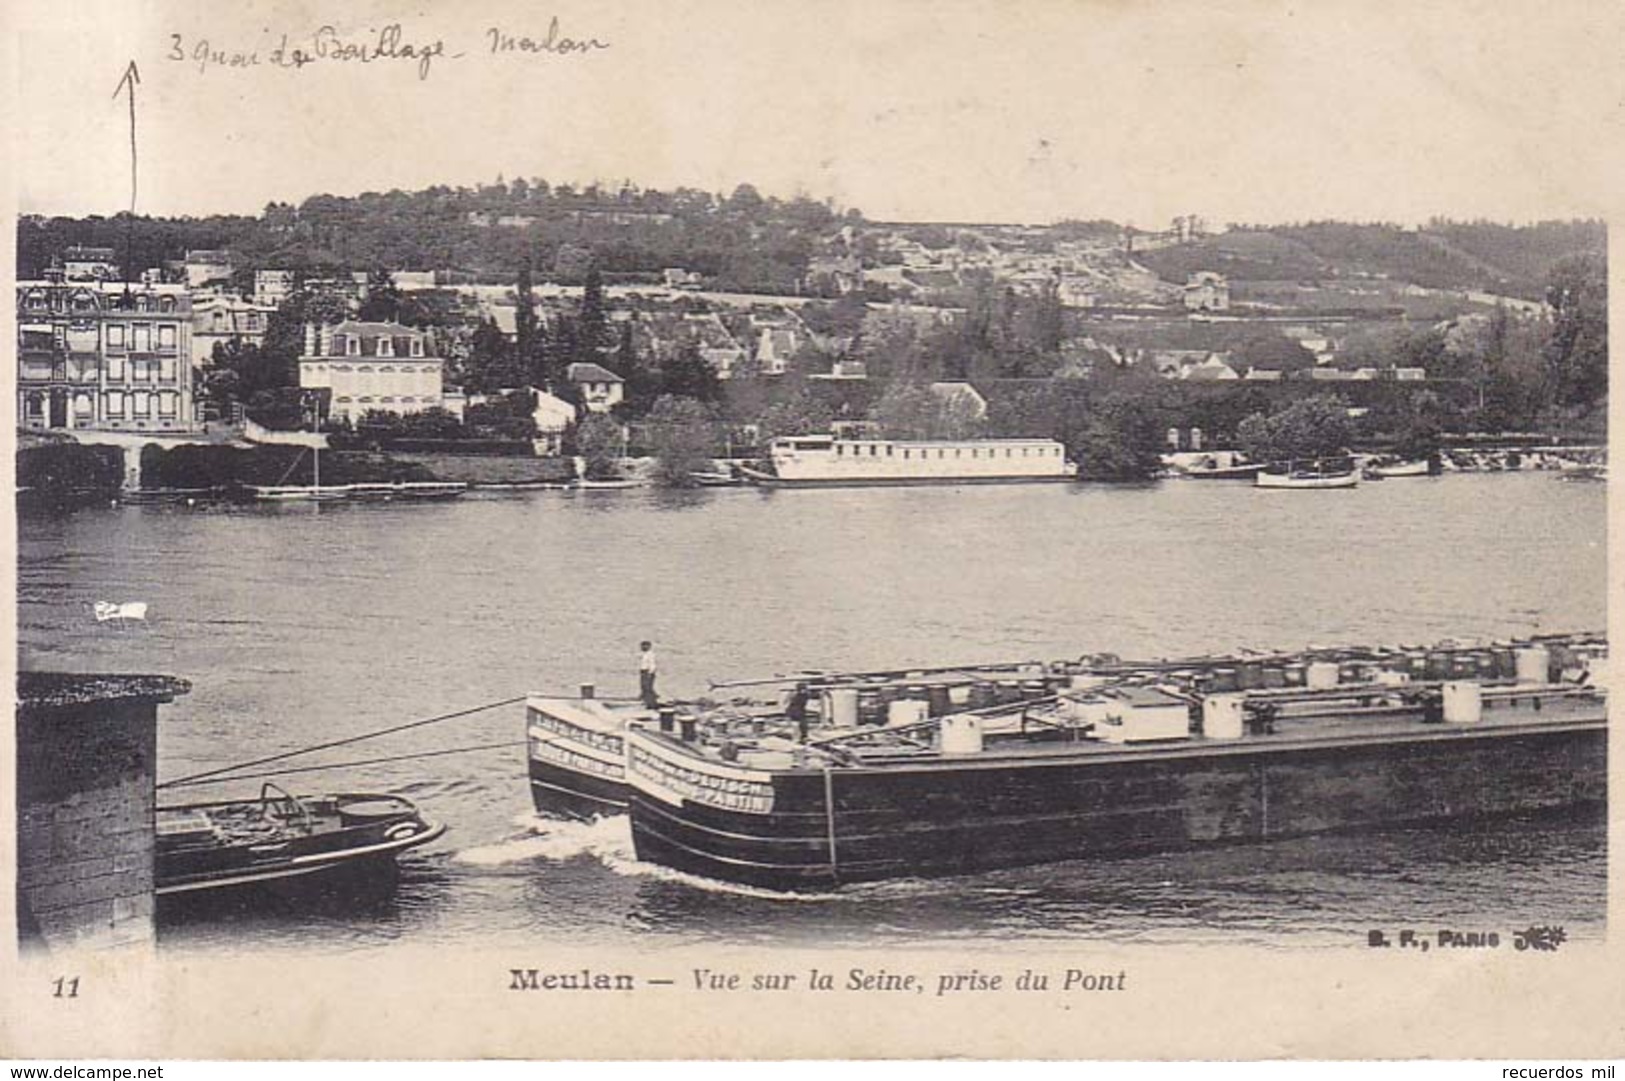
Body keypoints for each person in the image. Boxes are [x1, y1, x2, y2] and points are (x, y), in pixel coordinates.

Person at [638, 641, 659, 709]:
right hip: (643, 672)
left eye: (645, 646)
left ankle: (652, 704)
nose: (643, 647)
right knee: (644, 687)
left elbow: (652, 664)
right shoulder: (644, 654)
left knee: (648, 688)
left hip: (648, 672)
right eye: (642, 646)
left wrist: (650, 673)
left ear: (649, 646)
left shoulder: (650, 654)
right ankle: (647, 701)